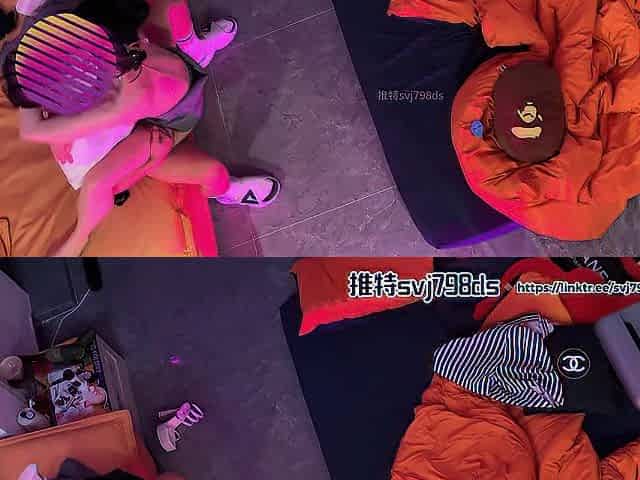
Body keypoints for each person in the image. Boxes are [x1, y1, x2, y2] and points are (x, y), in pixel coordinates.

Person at [2, 0, 281, 256]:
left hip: (156, 72)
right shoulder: (118, 105)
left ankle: (194, 49)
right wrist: (149, 156)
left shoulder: (88, 31)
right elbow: (97, 179)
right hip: (158, 126)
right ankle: (224, 192)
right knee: (213, 174)